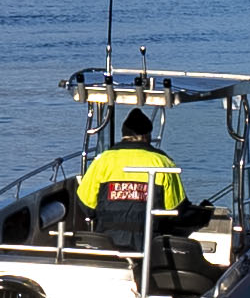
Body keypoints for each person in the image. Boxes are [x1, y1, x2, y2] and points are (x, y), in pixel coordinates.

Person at [77, 106, 182, 253]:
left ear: (123, 135)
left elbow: (86, 205)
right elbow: (176, 209)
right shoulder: (162, 162)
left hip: (107, 245)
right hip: (149, 246)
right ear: (147, 135)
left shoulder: (103, 161)